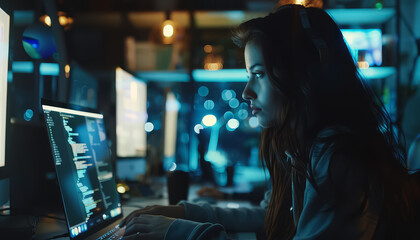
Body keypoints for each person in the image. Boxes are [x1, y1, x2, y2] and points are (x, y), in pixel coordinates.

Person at [121, 4, 420, 240]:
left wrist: (178, 232)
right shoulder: (303, 146)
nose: (246, 91)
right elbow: (270, 216)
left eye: (259, 74)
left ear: (304, 77)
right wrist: (182, 212)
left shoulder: (337, 156)